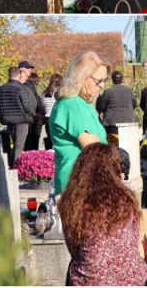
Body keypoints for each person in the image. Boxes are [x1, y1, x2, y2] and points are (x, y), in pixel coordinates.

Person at [58, 142, 147, 285]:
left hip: (91, 279)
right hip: (132, 277)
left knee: (77, 264)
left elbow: (73, 248)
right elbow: (133, 239)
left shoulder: (72, 203)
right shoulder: (126, 199)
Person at [49, 52, 109, 194]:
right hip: (80, 186)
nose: (102, 86)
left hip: (81, 182)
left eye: (104, 81)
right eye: (98, 80)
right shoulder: (73, 104)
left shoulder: (80, 103)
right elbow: (95, 150)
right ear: (82, 76)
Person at [0, 66, 35, 167]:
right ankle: (16, 170)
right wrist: (32, 114)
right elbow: (27, 105)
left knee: (15, 143)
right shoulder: (20, 88)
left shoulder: (1, 88)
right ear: (18, 75)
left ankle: (11, 166)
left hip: (8, 120)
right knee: (19, 146)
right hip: (21, 120)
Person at [96, 71, 137, 135]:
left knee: (113, 144)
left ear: (112, 79)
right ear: (122, 79)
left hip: (111, 123)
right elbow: (134, 105)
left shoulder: (107, 91)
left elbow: (101, 107)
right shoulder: (129, 91)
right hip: (129, 122)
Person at [41, 74, 62, 150]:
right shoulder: (60, 94)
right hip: (57, 117)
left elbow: (42, 106)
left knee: (50, 139)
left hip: (47, 118)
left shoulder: (44, 94)